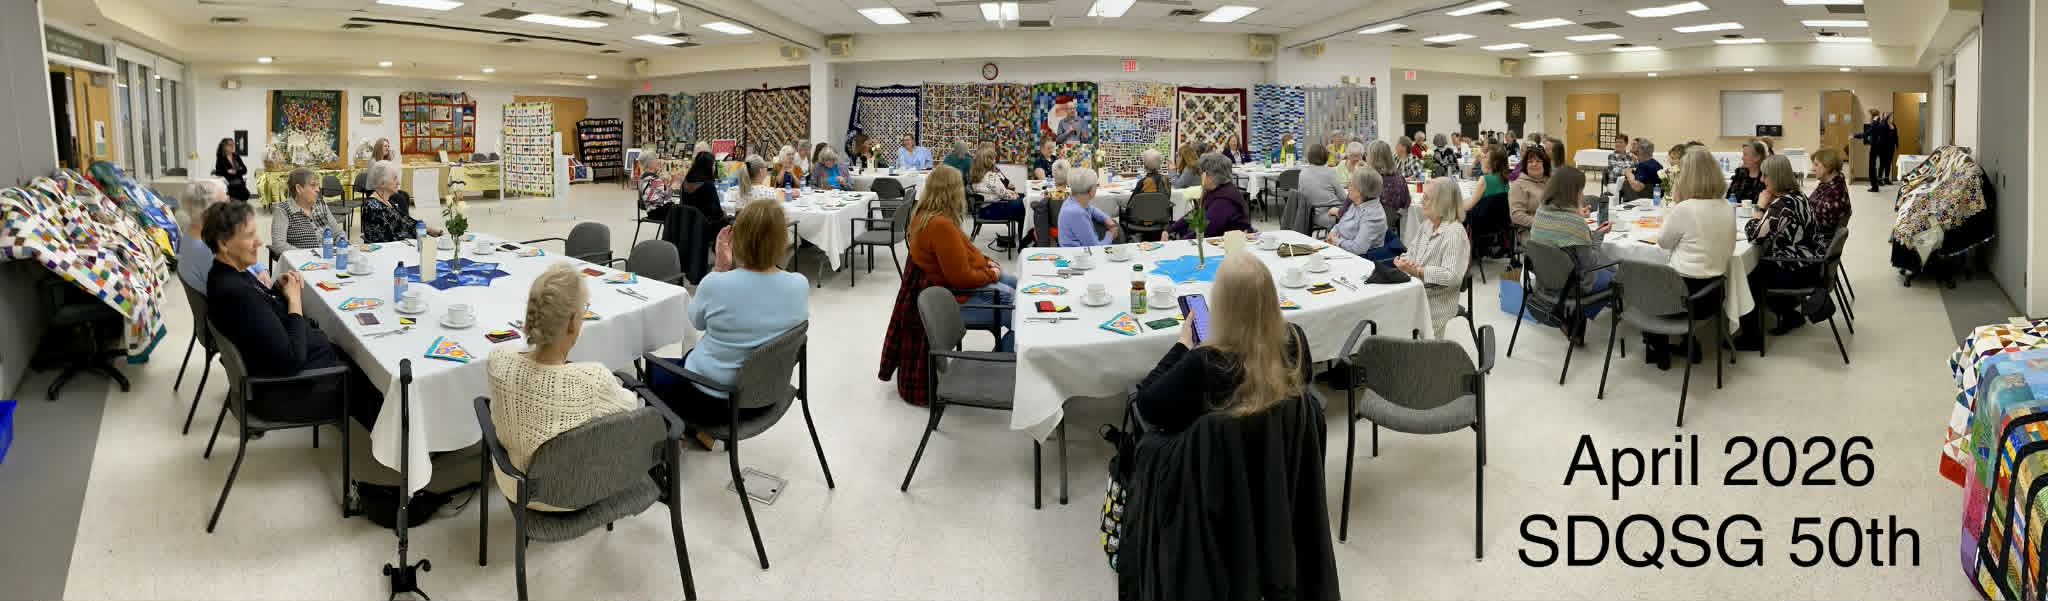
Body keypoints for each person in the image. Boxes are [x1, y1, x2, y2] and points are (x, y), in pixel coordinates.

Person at [201, 201, 379, 425]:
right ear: (224, 244)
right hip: (286, 394)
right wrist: (294, 301)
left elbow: (260, 316)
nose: (259, 242)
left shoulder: (226, 274)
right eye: (249, 236)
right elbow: (291, 360)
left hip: (286, 375)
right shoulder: (236, 293)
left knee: (358, 358)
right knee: (376, 386)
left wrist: (277, 290)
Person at [486, 263, 644, 510]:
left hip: (512, 485)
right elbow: (630, 406)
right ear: (572, 323)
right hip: (571, 496)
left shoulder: (498, 359)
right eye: (583, 311)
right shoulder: (592, 378)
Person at [658, 200, 809, 433]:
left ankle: (671, 439)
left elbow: (696, 321)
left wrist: (719, 268)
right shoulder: (799, 285)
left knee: (652, 371)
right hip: (768, 395)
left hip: (713, 400)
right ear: (782, 240)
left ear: (739, 239)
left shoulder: (716, 284)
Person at [1131, 254, 1303, 433]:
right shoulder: (1295, 338)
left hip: (1206, 447)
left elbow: (1146, 406)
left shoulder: (1204, 361)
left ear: (1221, 305)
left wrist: (1181, 345)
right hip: (1275, 440)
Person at [1645, 148, 1737, 369]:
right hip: (1714, 292)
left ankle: (1658, 346)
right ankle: (1687, 342)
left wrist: (1677, 203)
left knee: (1643, 282)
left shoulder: (1685, 209)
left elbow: (1663, 242)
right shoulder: (1726, 206)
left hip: (1684, 295)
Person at [907, 166, 1015, 351]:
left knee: (1017, 285)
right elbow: (961, 278)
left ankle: (1004, 354)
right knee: (1020, 311)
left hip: (949, 290)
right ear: (952, 192)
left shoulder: (924, 216)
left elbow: (965, 252)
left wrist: (987, 262)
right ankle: (1001, 359)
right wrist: (991, 274)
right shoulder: (941, 225)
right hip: (954, 299)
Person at [1734, 154, 1833, 349]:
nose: (1762, 180)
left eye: (1765, 176)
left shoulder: (1782, 205)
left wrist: (1760, 207)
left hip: (1799, 269)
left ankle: (1751, 338)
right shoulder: (1797, 196)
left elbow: (1755, 235)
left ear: (1776, 177)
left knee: (1746, 276)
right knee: (1758, 265)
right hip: (1810, 263)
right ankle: (1789, 315)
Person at [1396, 177, 1472, 338]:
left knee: (1396, 324)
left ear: (1442, 202)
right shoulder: (1427, 225)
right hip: (1417, 290)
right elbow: (1411, 252)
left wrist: (1419, 271)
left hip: (1437, 299)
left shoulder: (1454, 233)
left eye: (1426, 198)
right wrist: (1404, 261)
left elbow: (1452, 276)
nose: (1421, 201)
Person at [1528, 166, 1613, 298]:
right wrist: (1598, 236)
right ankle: (1583, 309)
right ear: (1573, 192)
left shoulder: (1541, 212)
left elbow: (1559, 237)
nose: (1582, 195)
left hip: (1544, 282)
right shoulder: (1575, 223)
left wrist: (1576, 213)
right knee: (1615, 273)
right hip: (1573, 287)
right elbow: (1590, 263)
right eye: (1581, 190)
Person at [178, 177, 269, 294]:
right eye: (225, 204)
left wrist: (261, 269)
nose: (230, 207)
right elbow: (249, 287)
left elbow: (243, 257)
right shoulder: (211, 249)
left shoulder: (192, 230)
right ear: (209, 213)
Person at [1169, 153, 1253, 239]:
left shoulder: (1223, 200)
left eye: (1201, 173)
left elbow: (1204, 230)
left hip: (1231, 243)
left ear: (1210, 176)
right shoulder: (1215, 190)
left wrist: (1177, 243)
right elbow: (1196, 213)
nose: (1200, 176)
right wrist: (1170, 229)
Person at [360, 160, 443, 244]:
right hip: (388, 250)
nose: (398, 182)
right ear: (382, 183)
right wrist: (422, 235)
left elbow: (406, 221)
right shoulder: (372, 207)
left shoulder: (388, 202)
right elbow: (387, 240)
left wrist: (429, 229)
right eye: (395, 178)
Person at [272, 167, 343, 252]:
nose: (318, 189)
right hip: (301, 259)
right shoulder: (283, 210)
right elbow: (279, 245)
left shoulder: (321, 205)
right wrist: (309, 255)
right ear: (299, 188)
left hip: (329, 256)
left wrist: (342, 246)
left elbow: (338, 233)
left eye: (317, 185)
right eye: (313, 185)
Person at [1327, 165, 1388, 257]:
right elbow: (1340, 225)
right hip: (1341, 251)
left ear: (1360, 191)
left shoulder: (1373, 215)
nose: (1348, 187)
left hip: (1359, 259)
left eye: (1351, 184)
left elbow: (1358, 248)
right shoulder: (1356, 203)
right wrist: (1332, 232)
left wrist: (1336, 241)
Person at [1058, 168, 1119, 247]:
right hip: (1079, 252)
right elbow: (1095, 247)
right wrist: (1110, 235)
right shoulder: (1077, 213)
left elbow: (1091, 209)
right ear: (1091, 191)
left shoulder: (1072, 201)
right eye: (1096, 185)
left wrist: (1106, 219)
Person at [1297, 145, 1346, 231]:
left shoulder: (1302, 173)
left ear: (1309, 157)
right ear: (1325, 156)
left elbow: (1301, 197)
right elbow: (1343, 197)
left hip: (1309, 214)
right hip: (1329, 214)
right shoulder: (1330, 172)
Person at [969, 147, 1023, 224]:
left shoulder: (977, 174)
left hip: (985, 208)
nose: (995, 161)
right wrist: (1015, 196)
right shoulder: (990, 176)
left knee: (1023, 201)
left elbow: (995, 191)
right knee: (1024, 204)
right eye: (994, 159)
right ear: (988, 161)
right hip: (992, 208)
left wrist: (1010, 193)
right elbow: (1003, 194)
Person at [1508, 145, 1552, 235]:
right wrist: (1543, 224)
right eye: (1530, 161)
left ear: (1544, 164)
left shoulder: (1550, 182)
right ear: (1525, 165)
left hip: (1554, 227)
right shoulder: (1518, 185)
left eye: (1538, 161)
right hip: (1531, 231)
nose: (1534, 164)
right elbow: (1516, 215)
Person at [1806, 147, 1852, 230]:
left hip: (1816, 235)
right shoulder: (1831, 182)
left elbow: (1813, 225)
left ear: (1828, 166)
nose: (1812, 169)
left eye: (1816, 165)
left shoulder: (1833, 195)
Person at [1856, 109, 1897, 190]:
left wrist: (1854, 136)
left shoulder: (1877, 124)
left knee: (1875, 167)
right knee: (1879, 165)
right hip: (1880, 147)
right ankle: (1878, 182)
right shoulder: (1880, 123)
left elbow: (1866, 134)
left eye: (1869, 115)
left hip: (1880, 148)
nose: (1868, 117)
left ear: (1872, 115)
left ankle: (1877, 185)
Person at [1619, 138, 1662, 203]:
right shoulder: (1657, 164)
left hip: (1643, 201)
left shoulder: (1643, 165)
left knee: (1625, 183)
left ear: (1640, 151)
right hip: (1656, 199)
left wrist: (1628, 174)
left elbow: (1637, 187)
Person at [637, 154, 674, 220]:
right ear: (649, 164)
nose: (658, 162)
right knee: (683, 212)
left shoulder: (643, 177)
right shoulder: (652, 179)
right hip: (658, 211)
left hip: (652, 211)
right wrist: (671, 183)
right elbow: (667, 196)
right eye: (655, 160)